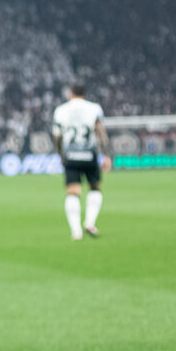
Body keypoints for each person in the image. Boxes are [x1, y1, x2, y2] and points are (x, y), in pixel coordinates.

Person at [52, 83, 109, 239]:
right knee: (95, 188)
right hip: (89, 155)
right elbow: (100, 133)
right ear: (84, 93)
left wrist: (60, 155)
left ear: (70, 94)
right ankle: (90, 222)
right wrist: (107, 155)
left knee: (72, 192)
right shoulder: (94, 108)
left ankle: (76, 231)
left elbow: (57, 136)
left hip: (71, 155)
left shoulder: (61, 110)